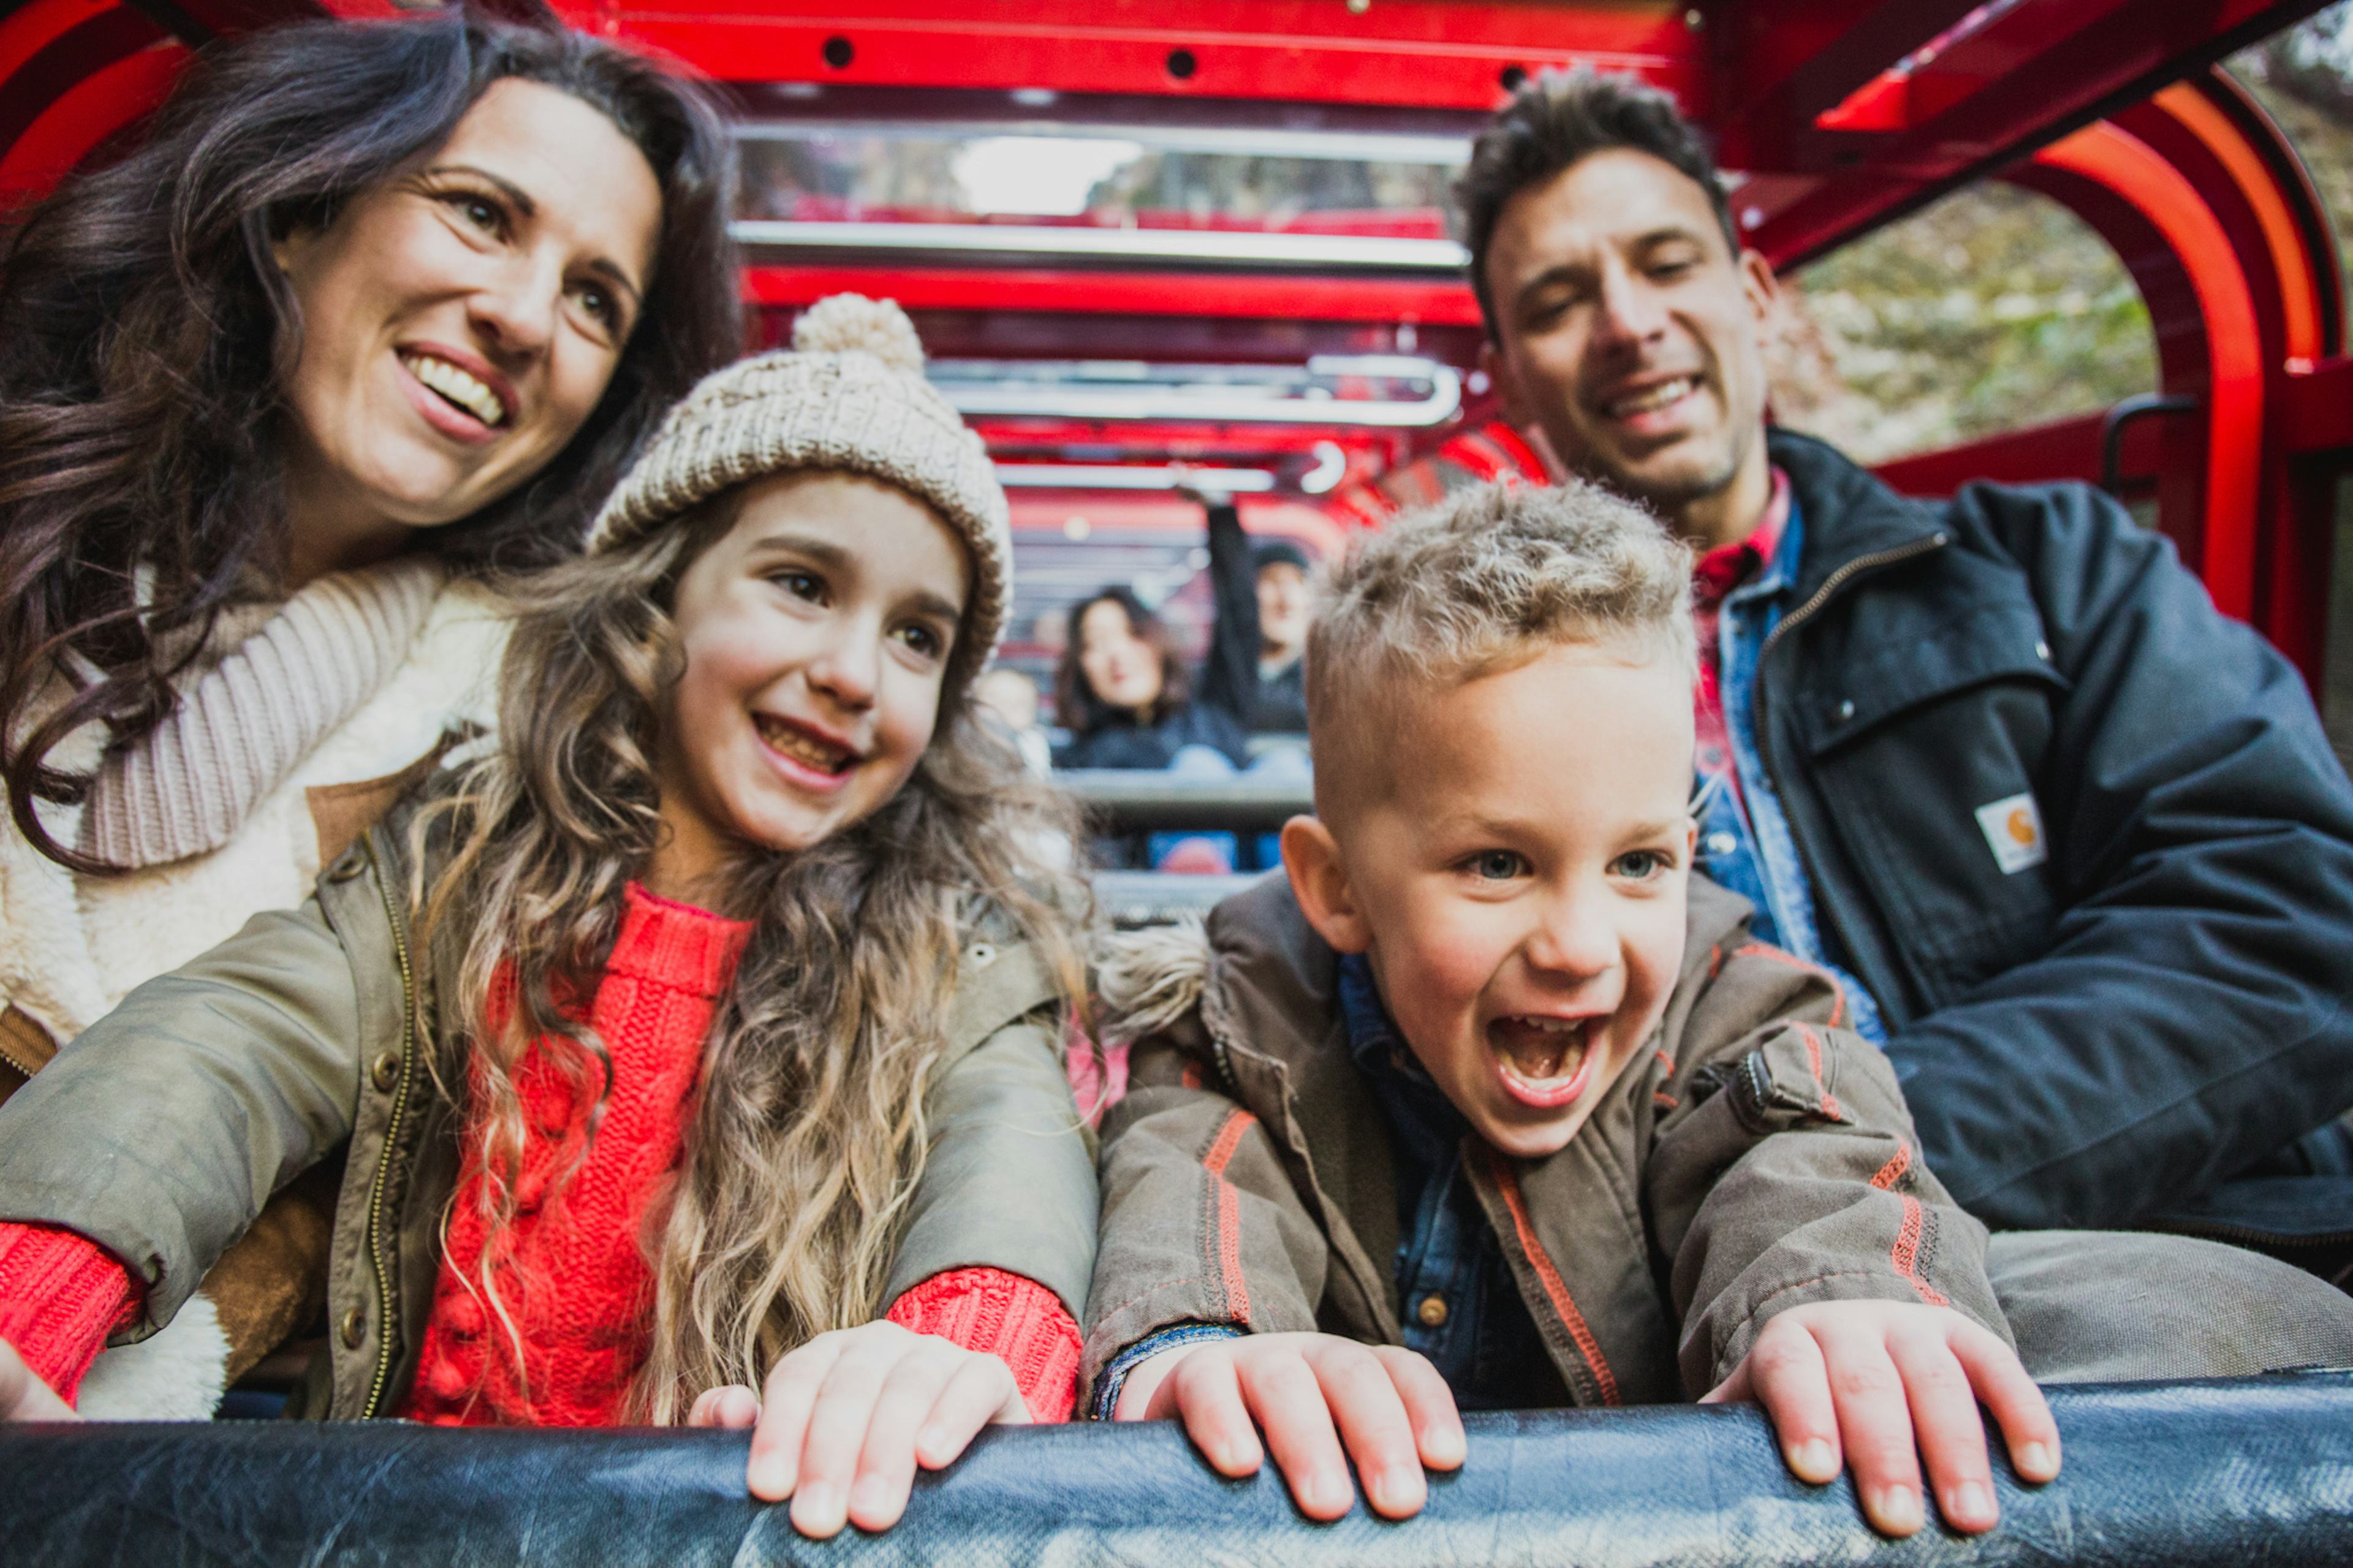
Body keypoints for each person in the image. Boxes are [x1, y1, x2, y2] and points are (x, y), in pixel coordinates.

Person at [0, 297, 1101, 1544]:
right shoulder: (463, 860)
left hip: (755, 1523)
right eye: (801, 584)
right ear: (659, 594)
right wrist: (37, 1268)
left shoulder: (950, 950)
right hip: (426, 1524)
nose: (856, 671)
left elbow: (1010, 1143)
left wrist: (961, 1337)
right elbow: (229, 1044)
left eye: (918, 637)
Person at [1082, 481, 2353, 1539]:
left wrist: (1841, 1296)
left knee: (2218, 1317)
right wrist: (1209, 1339)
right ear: (1337, 887)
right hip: (1374, 1515)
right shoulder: (1245, 1022)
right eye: (1497, 863)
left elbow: (1808, 1149)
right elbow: (1191, 1175)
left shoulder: (1737, 1003)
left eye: (1639, 861)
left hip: (1661, 1520)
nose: (1583, 945)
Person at [1458, 69, 2353, 1248]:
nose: (1629, 322)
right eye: (1562, 300)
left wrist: (1827, 1155)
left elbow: (2289, 917)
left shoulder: (2053, 569)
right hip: (1707, 1323)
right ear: (1513, 373)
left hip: (2169, 1252)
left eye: (1668, 264)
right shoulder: (1475, 693)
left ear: (1761, 297)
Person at [0, 13, 740, 1406]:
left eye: (594, 299)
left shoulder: (554, 743)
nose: (523, 318)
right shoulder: (25, 514)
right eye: (478, 213)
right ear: (302, 217)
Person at [1051, 586, 1251, 772]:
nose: (1118, 654)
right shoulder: (1077, 763)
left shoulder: (1210, 727)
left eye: (1135, 634)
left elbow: (1237, 619)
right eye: (1097, 642)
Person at [1189, 488, 1313, 736]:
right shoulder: (1222, 677)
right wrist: (1220, 513)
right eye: (1273, 582)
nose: (1286, 598)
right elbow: (1235, 604)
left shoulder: (1323, 679)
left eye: (1297, 583)